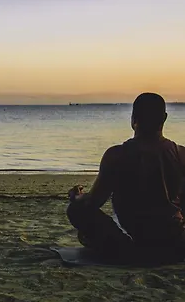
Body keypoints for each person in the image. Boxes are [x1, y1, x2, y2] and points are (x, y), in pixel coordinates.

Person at [67, 93, 185, 263]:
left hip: (137, 242)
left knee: (76, 210)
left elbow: (93, 202)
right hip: (175, 241)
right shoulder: (181, 154)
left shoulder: (116, 155)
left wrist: (77, 197)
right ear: (164, 118)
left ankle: (123, 249)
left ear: (133, 119)